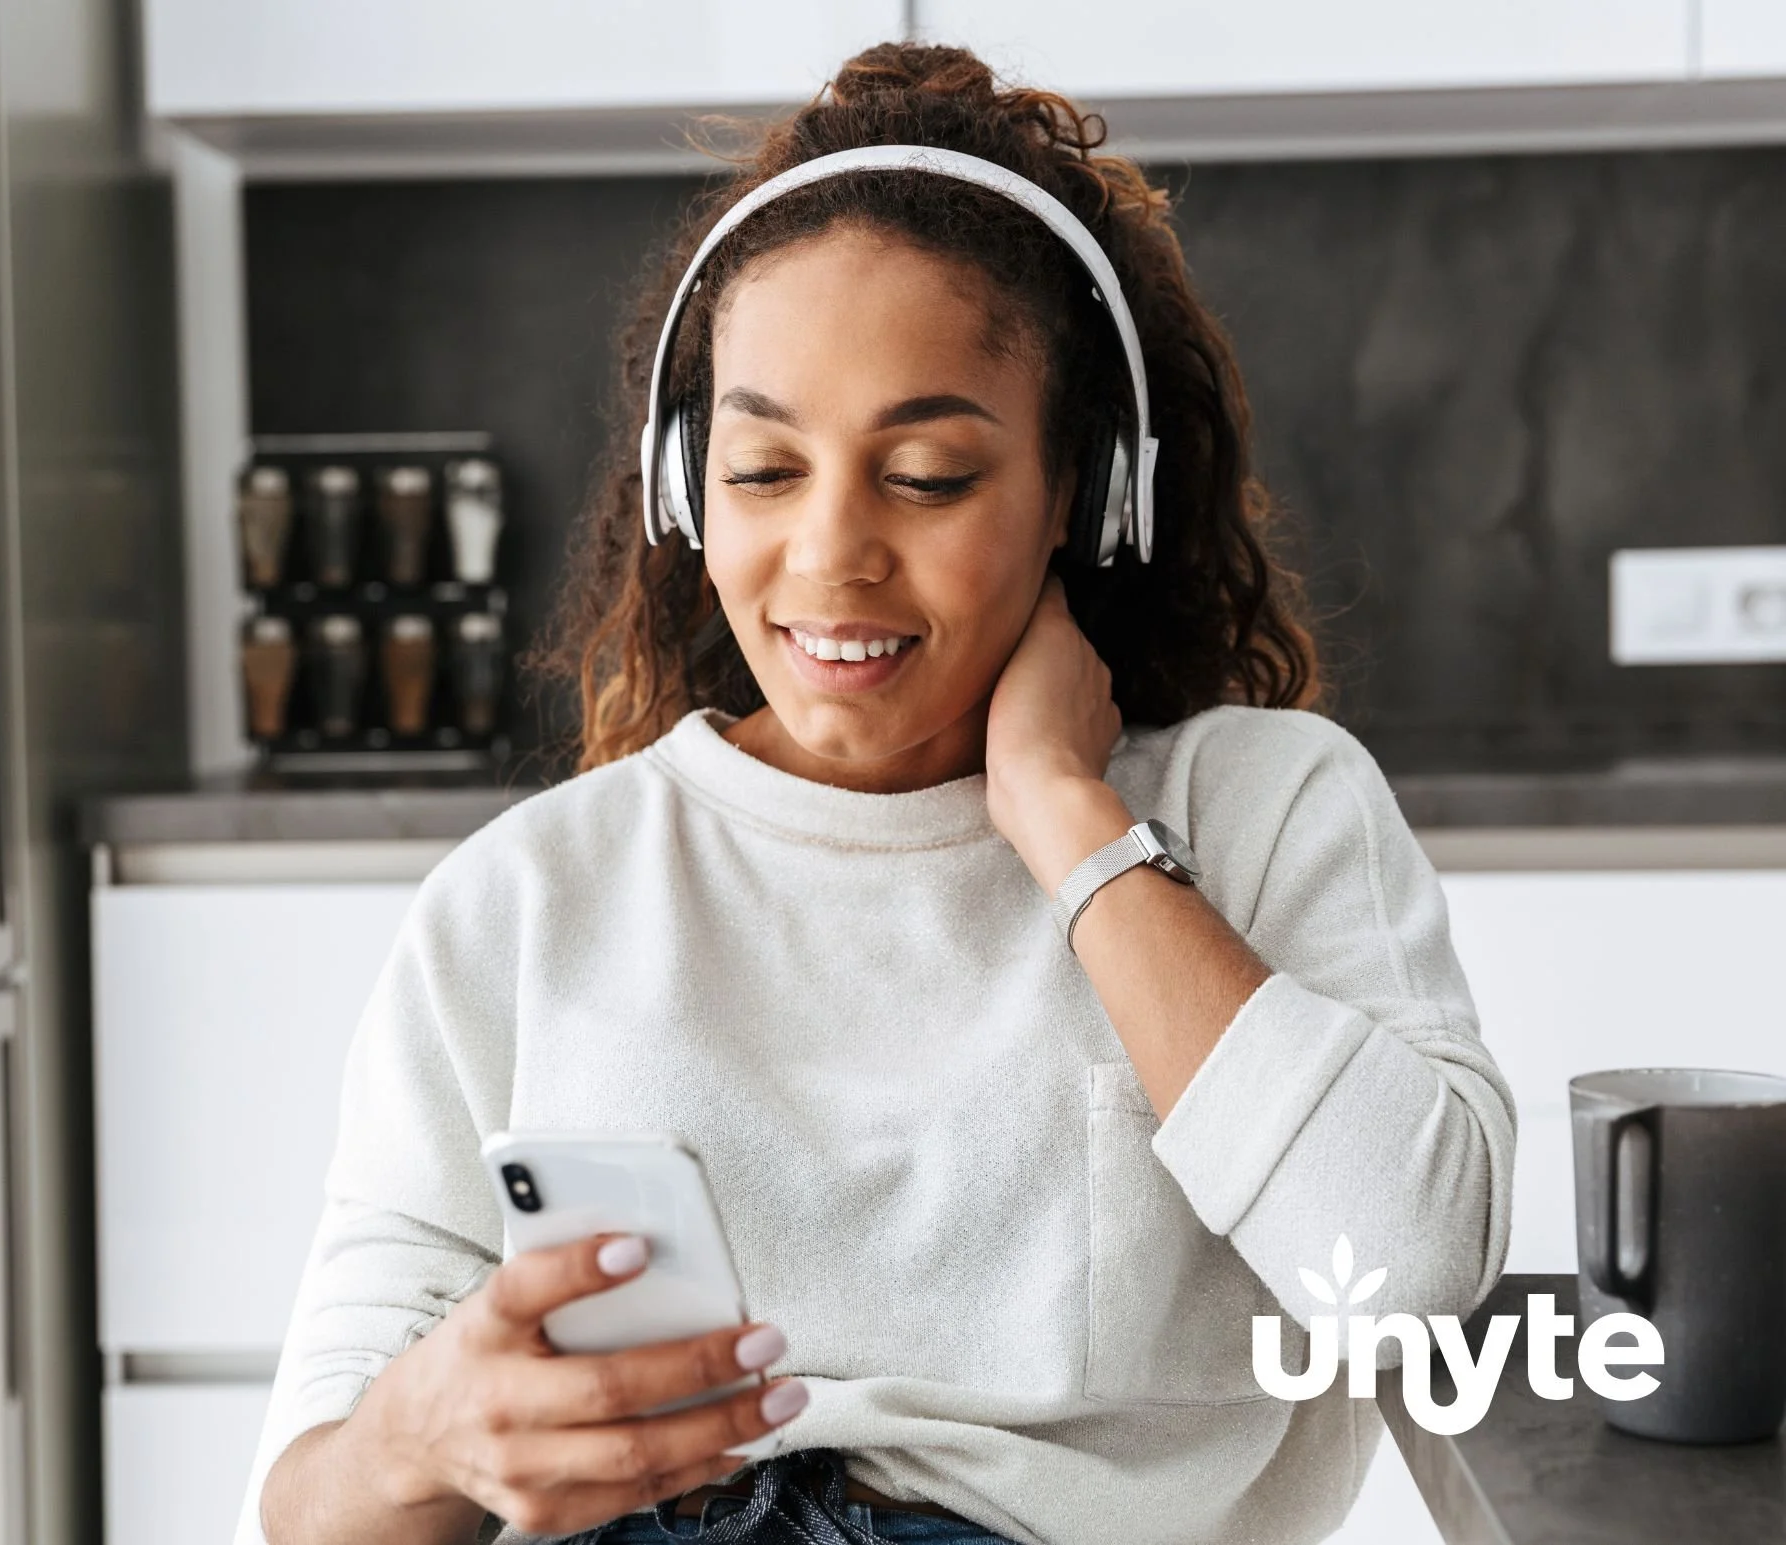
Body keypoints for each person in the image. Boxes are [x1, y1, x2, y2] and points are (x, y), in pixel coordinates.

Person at [236, 40, 1515, 1545]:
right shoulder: (528, 899)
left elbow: (1413, 1275)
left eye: (924, 475)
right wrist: (416, 1437)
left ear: (1085, 496)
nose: (831, 555)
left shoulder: (1264, 811)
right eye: (765, 471)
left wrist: (1068, 823)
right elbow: (317, 1508)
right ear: (681, 491)